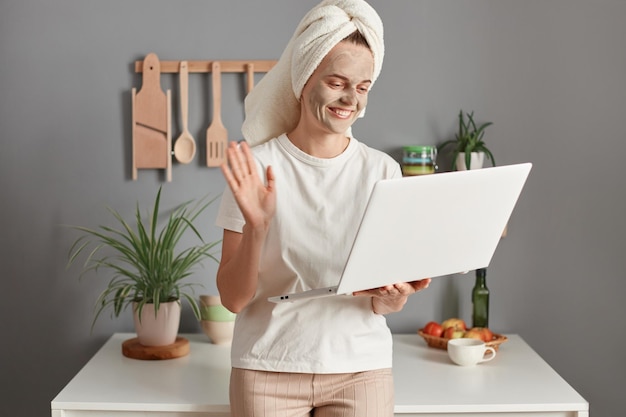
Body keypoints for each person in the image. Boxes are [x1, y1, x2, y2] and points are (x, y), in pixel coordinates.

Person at [215, 1, 431, 415]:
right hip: (266, 367)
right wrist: (258, 228)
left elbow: (381, 301)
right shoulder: (256, 167)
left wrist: (392, 297)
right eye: (336, 81)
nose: (351, 98)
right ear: (303, 78)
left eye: (363, 86)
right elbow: (232, 300)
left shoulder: (382, 170)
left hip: (360, 368)